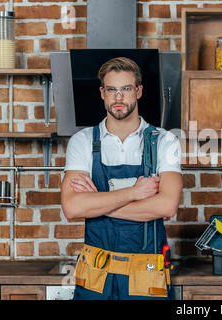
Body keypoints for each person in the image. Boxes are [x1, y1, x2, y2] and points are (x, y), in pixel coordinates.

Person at [61, 57, 182, 300]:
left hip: (145, 276)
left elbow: (166, 205)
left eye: (126, 89)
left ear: (138, 91)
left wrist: (96, 203)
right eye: (112, 90)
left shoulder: (163, 141)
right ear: (102, 93)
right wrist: (133, 194)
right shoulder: (83, 141)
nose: (119, 97)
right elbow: (72, 208)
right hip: (96, 275)